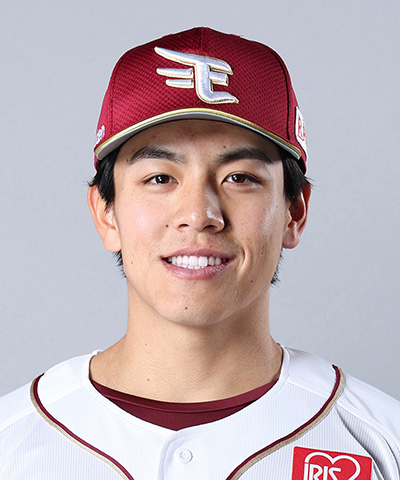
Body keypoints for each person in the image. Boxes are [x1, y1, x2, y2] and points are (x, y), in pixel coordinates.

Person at [0, 27, 399, 480]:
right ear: (105, 213)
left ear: (294, 212)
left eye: (240, 178)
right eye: (160, 178)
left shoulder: (382, 442)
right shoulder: (12, 443)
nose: (199, 215)